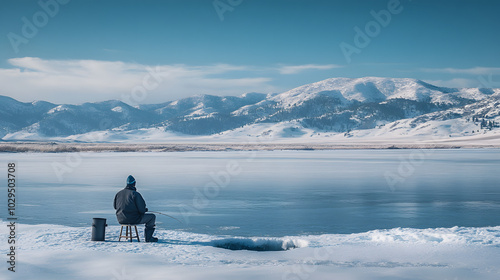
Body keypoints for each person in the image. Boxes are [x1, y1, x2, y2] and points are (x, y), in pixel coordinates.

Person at [114, 175, 158, 242]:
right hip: (133, 219)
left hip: (121, 219)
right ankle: (149, 238)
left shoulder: (118, 193)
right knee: (152, 217)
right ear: (134, 183)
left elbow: (115, 207)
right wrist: (144, 210)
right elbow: (142, 210)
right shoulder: (135, 194)